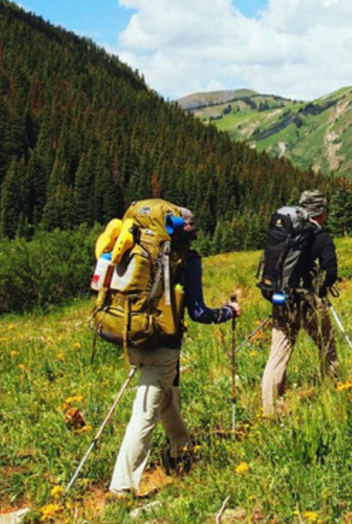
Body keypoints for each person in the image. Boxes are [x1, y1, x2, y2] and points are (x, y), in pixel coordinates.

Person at [109, 207, 239, 496]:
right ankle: (121, 488)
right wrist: (228, 312)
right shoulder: (187, 260)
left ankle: (182, 450)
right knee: (145, 415)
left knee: (166, 395)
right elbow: (198, 312)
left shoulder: (140, 250)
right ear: (189, 233)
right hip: (163, 346)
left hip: (131, 338)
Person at [261, 190, 340, 417]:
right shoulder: (320, 236)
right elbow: (331, 271)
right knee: (327, 346)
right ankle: (333, 392)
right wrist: (322, 290)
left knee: (278, 353)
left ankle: (270, 409)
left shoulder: (288, 232)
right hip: (307, 300)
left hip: (281, 299)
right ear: (322, 212)